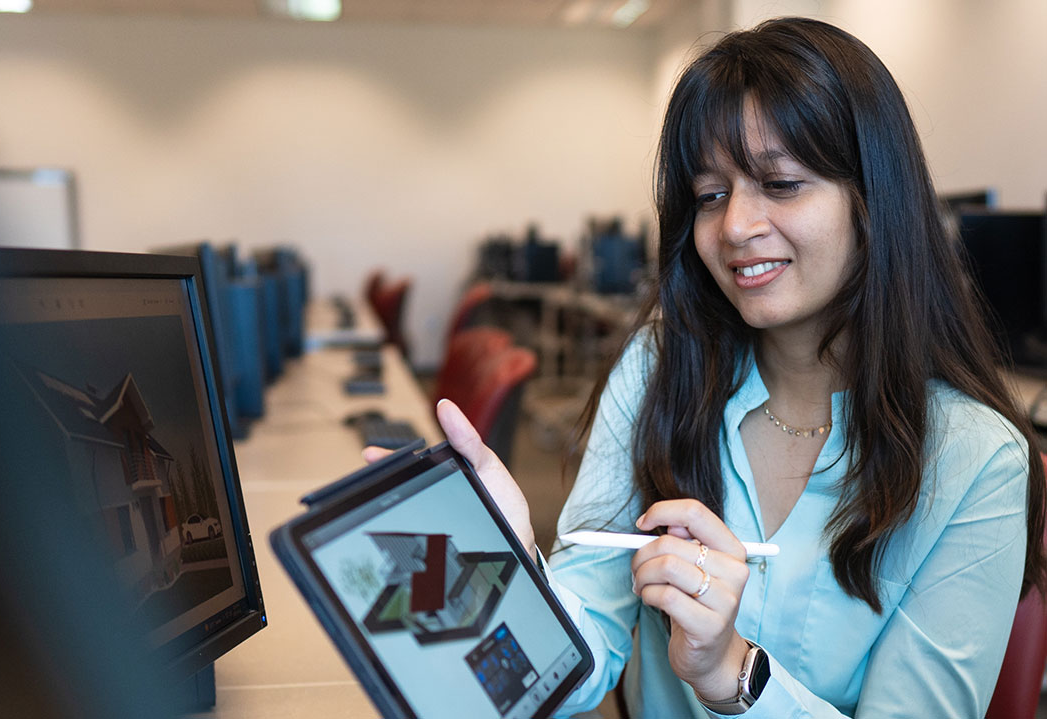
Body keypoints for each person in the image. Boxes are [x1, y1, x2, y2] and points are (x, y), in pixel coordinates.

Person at [373, 16, 1047, 718]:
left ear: (875, 199)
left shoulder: (976, 462)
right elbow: (578, 657)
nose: (732, 227)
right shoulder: (659, 370)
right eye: (709, 195)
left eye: (781, 183)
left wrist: (732, 670)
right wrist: (511, 577)